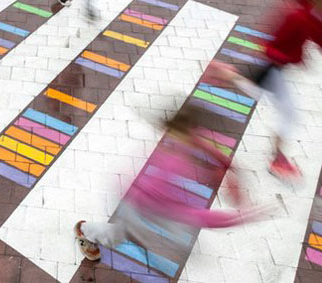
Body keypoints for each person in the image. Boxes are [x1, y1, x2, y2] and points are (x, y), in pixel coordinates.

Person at [74, 105, 267, 261]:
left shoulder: (184, 139)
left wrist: (230, 168)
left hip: (147, 198)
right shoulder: (170, 167)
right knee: (122, 234)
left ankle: (96, 232)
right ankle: (84, 231)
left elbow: (204, 145)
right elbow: (190, 214)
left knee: (148, 238)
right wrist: (239, 217)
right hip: (140, 203)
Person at [211, 0, 322, 181]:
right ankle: (277, 160)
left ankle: (222, 71)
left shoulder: (312, 12)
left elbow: (318, 35)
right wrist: (293, 58)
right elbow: (268, 45)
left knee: (255, 89)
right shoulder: (296, 16)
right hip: (275, 67)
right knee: (288, 114)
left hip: (279, 68)